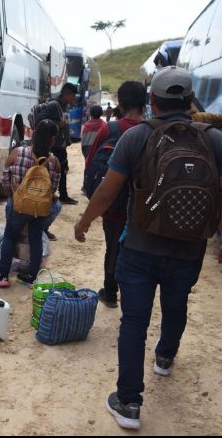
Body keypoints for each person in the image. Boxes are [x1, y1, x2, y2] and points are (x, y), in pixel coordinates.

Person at [74, 66, 222, 430]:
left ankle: (129, 403)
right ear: (189, 100)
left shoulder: (138, 138)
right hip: (189, 248)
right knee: (176, 305)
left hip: (139, 248)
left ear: (153, 101)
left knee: (134, 322)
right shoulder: (215, 140)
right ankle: (165, 357)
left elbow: (106, 191)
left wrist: (84, 222)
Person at [86, 82, 147, 308]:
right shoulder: (153, 130)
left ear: (120, 104)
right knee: (136, 251)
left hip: (113, 205)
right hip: (143, 206)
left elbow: (91, 163)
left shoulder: (109, 129)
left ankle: (110, 292)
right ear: (145, 103)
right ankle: (131, 295)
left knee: (113, 247)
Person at [0, 119, 61, 288]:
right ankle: (31, 278)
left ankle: (3, 276)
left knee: (10, 237)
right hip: (39, 209)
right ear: (52, 139)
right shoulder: (54, 162)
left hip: (19, 206)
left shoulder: (18, 153)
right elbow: (52, 189)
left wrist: (12, 196)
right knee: (36, 240)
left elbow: (4, 179)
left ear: (35, 133)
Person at [35, 82, 79, 205]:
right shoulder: (54, 105)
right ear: (66, 94)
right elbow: (40, 120)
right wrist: (56, 123)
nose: (73, 98)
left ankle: (63, 195)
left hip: (61, 145)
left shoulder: (64, 106)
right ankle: (47, 195)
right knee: (51, 170)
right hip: (53, 146)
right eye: (73, 96)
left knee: (63, 169)